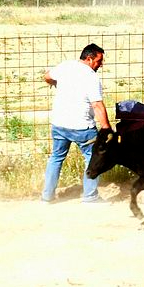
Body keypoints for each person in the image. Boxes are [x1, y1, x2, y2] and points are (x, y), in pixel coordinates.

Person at [42, 43, 112, 203]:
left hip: (59, 123)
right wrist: (106, 128)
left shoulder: (65, 66)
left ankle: (47, 197)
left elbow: (47, 76)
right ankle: (90, 197)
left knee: (56, 158)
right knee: (92, 158)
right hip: (82, 127)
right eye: (99, 61)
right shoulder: (91, 77)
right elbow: (97, 105)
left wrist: (56, 83)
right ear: (89, 58)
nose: (100, 64)